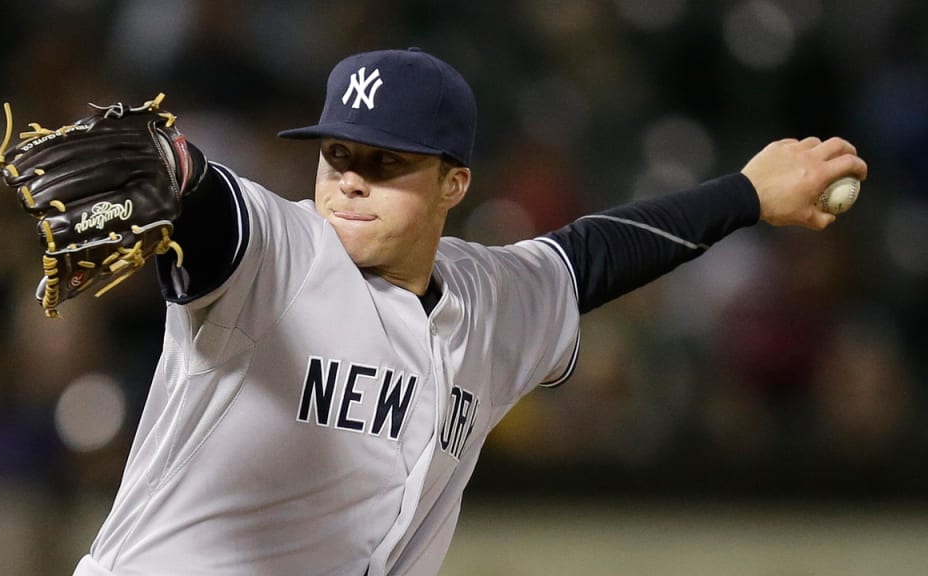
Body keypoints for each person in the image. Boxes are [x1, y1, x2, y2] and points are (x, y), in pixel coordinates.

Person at [60, 48, 866, 575]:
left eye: (385, 163)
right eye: (337, 154)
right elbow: (214, 204)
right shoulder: (276, 254)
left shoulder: (489, 297)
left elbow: (592, 256)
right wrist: (175, 175)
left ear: (455, 183)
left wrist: (750, 195)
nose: (349, 180)